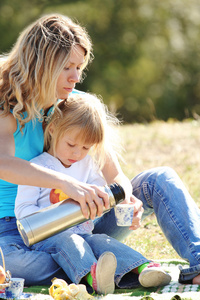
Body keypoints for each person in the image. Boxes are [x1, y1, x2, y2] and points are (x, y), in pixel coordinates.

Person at [0, 12, 199, 288]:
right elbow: (3, 163)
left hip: (84, 222)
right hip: (17, 229)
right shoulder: (7, 106)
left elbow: (114, 176)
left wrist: (128, 198)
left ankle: (197, 262)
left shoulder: (75, 107)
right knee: (10, 265)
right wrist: (66, 184)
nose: (76, 77)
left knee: (159, 178)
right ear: (41, 63)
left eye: (79, 67)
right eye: (67, 67)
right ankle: (103, 266)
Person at [14, 93, 171, 294]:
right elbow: (22, 210)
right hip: (48, 237)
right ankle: (91, 277)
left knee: (100, 241)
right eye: (71, 145)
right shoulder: (38, 167)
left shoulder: (87, 165)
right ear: (52, 130)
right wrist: (55, 213)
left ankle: (144, 268)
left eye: (86, 147)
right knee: (68, 241)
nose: (77, 154)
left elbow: (100, 194)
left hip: (83, 232)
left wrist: (100, 204)